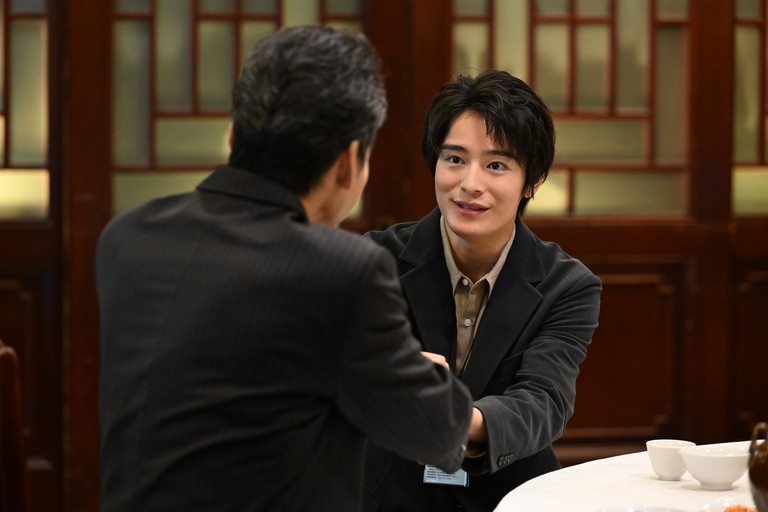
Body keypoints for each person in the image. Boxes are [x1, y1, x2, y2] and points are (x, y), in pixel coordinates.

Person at [96, 25, 473, 512]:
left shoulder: (126, 239)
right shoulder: (342, 271)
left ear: (233, 135)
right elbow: (440, 435)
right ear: (349, 162)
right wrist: (422, 372)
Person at [362, 70, 602, 512]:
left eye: (496, 165)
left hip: (511, 496)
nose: (470, 183)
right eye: (454, 159)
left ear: (532, 181)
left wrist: (455, 417)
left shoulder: (567, 285)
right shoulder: (374, 262)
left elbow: (543, 400)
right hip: (390, 493)